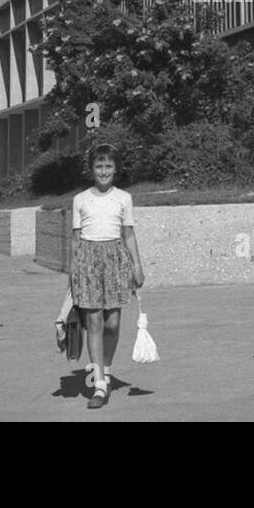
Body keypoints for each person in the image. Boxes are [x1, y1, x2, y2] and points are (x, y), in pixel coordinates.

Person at [70, 143, 144, 409]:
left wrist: (137, 265)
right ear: (91, 169)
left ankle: (107, 367)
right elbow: (76, 240)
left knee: (112, 323)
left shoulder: (123, 198)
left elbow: (128, 234)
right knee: (94, 323)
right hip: (87, 262)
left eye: (108, 166)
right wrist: (73, 276)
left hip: (115, 260)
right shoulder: (80, 199)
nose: (103, 171)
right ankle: (99, 384)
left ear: (116, 169)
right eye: (99, 166)